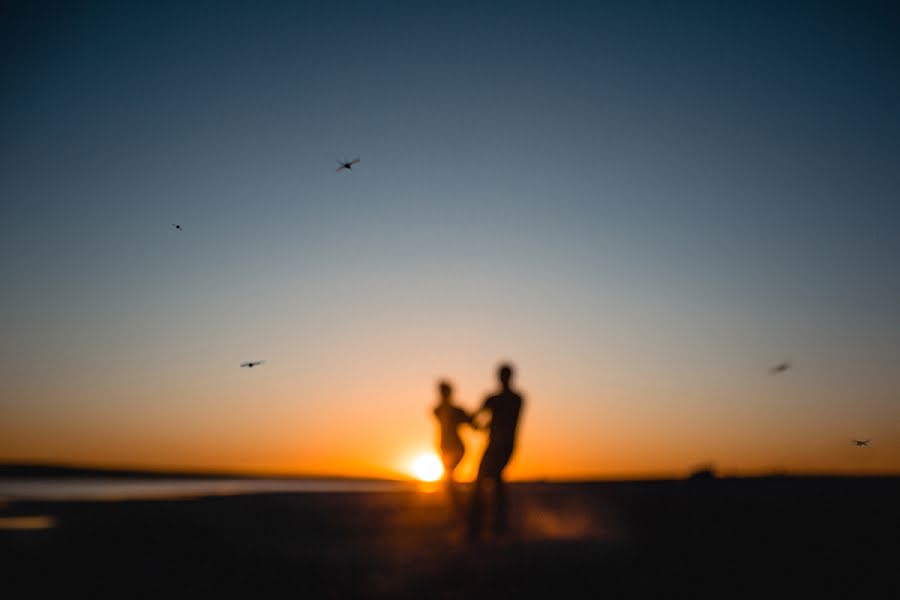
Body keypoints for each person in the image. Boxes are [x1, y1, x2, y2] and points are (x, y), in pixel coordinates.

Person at [467, 363, 524, 541]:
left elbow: (483, 421)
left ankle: (479, 527)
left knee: (482, 481)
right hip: (501, 446)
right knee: (495, 481)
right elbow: (480, 421)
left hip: (500, 446)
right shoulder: (512, 398)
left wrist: (479, 423)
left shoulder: (508, 399)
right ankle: (496, 526)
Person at [432, 380, 472, 517]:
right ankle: (456, 507)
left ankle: (457, 508)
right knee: (449, 478)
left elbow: (471, 422)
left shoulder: (451, 410)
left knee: (449, 477)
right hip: (445, 449)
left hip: (456, 449)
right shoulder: (440, 410)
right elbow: (470, 421)